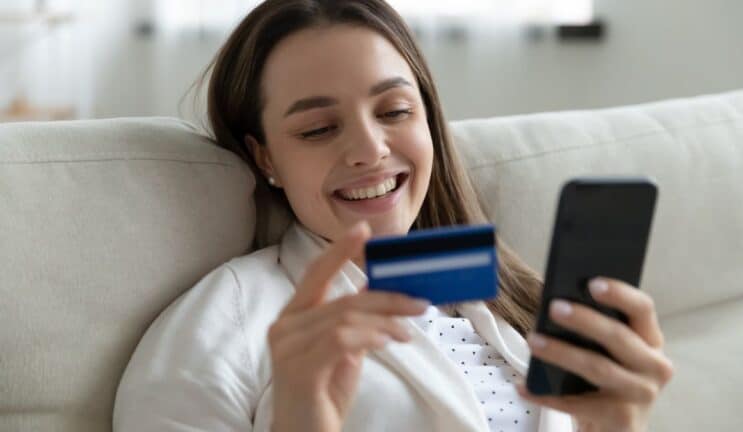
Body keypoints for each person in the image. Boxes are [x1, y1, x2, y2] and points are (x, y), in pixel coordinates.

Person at [113, 1, 674, 431]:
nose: (369, 149)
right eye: (317, 129)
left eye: (395, 111)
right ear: (265, 157)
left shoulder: (514, 305)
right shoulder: (224, 322)